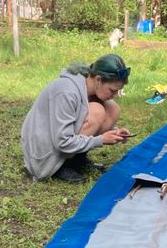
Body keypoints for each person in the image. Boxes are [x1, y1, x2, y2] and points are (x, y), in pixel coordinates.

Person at [21, 54, 133, 183]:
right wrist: (100, 140)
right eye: (112, 90)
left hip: (60, 142)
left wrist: (115, 132)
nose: (115, 95)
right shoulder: (67, 91)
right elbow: (62, 141)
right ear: (98, 80)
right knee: (97, 110)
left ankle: (77, 161)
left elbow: (79, 116)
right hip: (44, 157)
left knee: (112, 108)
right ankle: (61, 166)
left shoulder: (87, 86)